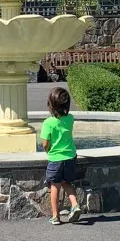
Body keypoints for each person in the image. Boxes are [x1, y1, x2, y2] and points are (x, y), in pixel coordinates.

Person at [41, 87, 82, 225]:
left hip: (55, 159)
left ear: (51, 104)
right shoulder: (70, 118)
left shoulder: (48, 123)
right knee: (66, 183)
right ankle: (75, 205)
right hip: (70, 156)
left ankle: (55, 216)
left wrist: (48, 151)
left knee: (55, 186)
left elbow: (45, 143)